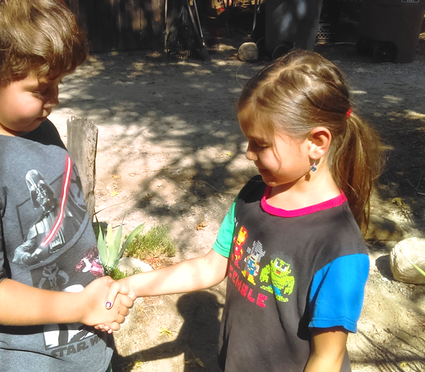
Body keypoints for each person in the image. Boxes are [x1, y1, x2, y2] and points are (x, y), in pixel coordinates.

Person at [101, 49, 382, 372]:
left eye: (261, 144)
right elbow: (210, 266)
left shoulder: (338, 247)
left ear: (316, 142)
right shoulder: (252, 196)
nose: (248, 154)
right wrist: (134, 286)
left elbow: (327, 357)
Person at [0, 1, 133, 371]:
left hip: (83, 343)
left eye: (59, 84)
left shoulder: (38, 128)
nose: (54, 100)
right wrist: (80, 306)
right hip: (29, 360)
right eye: (40, 89)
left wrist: (91, 299)